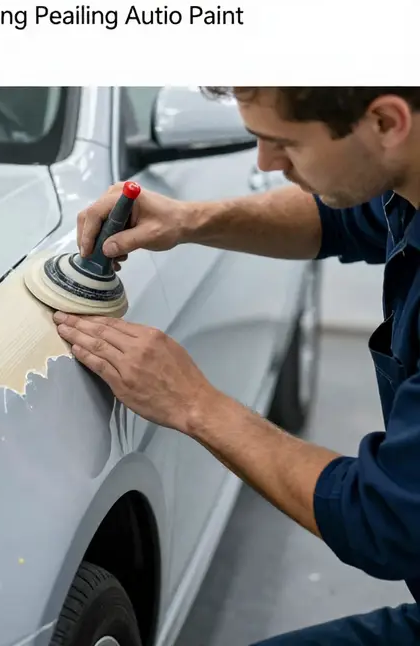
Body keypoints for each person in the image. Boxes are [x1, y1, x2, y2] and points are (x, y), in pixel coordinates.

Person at [53, 87, 420, 645]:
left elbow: (387, 520)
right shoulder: (404, 180)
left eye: (283, 143)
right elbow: (339, 220)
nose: (264, 164)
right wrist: (189, 219)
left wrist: (194, 403)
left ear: (386, 122)